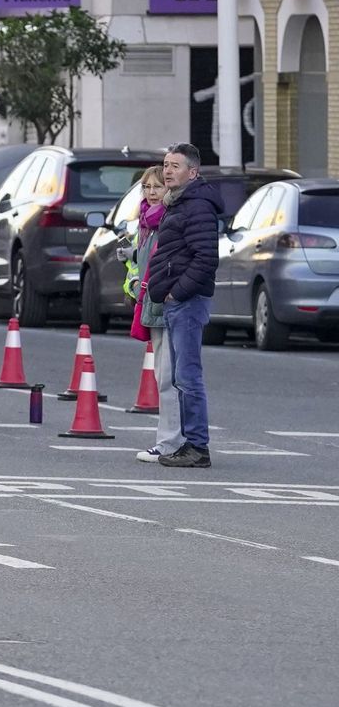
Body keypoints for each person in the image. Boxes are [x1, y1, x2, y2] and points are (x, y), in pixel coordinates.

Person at [144, 143, 221, 469]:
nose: (167, 171)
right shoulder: (178, 203)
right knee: (179, 376)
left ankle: (197, 447)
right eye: (166, 165)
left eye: (175, 166)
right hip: (177, 303)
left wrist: (177, 292)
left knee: (188, 377)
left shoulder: (197, 206)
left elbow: (206, 257)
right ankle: (188, 444)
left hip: (187, 303)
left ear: (193, 172)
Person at [126, 166, 183, 464]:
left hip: (166, 304)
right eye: (146, 187)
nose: (151, 192)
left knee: (168, 377)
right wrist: (135, 281)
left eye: (157, 187)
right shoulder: (145, 223)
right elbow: (142, 264)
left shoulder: (166, 221)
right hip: (152, 303)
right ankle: (172, 439)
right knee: (164, 374)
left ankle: (170, 442)